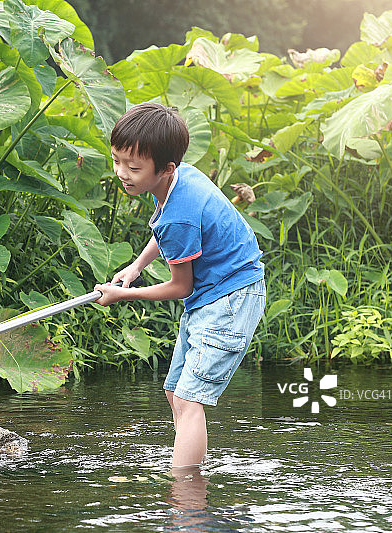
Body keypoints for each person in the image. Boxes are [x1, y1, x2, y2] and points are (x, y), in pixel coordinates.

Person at [94, 102, 266, 468]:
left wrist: (125, 294)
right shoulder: (180, 177)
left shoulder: (179, 214)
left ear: (165, 168)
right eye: (116, 161)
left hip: (231, 297)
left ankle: (185, 494)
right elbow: (168, 232)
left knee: (190, 401)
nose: (122, 173)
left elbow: (180, 286)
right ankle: (190, 471)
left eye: (133, 167)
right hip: (214, 294)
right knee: (175, 393)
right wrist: (136, 266)